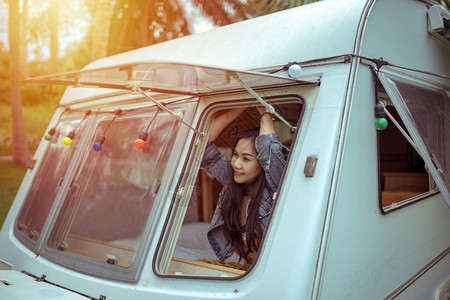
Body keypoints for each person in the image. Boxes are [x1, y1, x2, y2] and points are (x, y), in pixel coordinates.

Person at [200, 106, 288, 270]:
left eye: (246, 159)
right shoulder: (231, 178)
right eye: (235, 154)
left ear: (262, 163)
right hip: (249, 271)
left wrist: (264, 112)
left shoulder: (276, 185)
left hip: (274, 271)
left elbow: (269, 151)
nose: (236, 164)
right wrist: (236, 108)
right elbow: (203, 145)